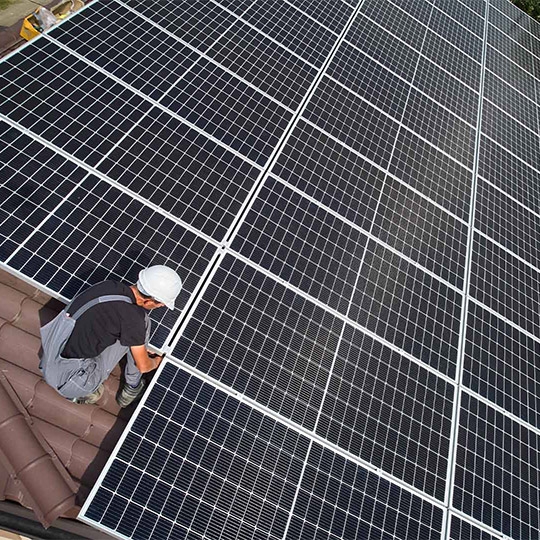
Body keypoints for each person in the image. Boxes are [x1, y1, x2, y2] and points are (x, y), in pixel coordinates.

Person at [39, 265, 182, 407]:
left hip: (49, 358)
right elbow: (143, 366)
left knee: (132, 333)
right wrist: (156, 361)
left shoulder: (108, 285)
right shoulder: (134, 319)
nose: (161, 307)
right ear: (149, 301)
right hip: (72, 380)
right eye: (161, 304)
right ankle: (131, 388)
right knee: (143, 324)